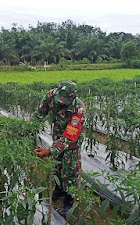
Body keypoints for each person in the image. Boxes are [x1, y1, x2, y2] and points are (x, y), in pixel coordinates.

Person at [32, 80, 86, 218]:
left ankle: (69, 198)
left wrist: (49, 151)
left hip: (73, 139)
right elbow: (39, 114)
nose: (61, 103)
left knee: (70, 167)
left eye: (65, 101)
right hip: (57, 134)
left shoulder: (78, 108)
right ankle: (59, 189)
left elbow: (69, 136)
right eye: (60, 100)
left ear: (73, 97)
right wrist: (30, 128)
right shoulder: (50, 96)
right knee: (57, 164)